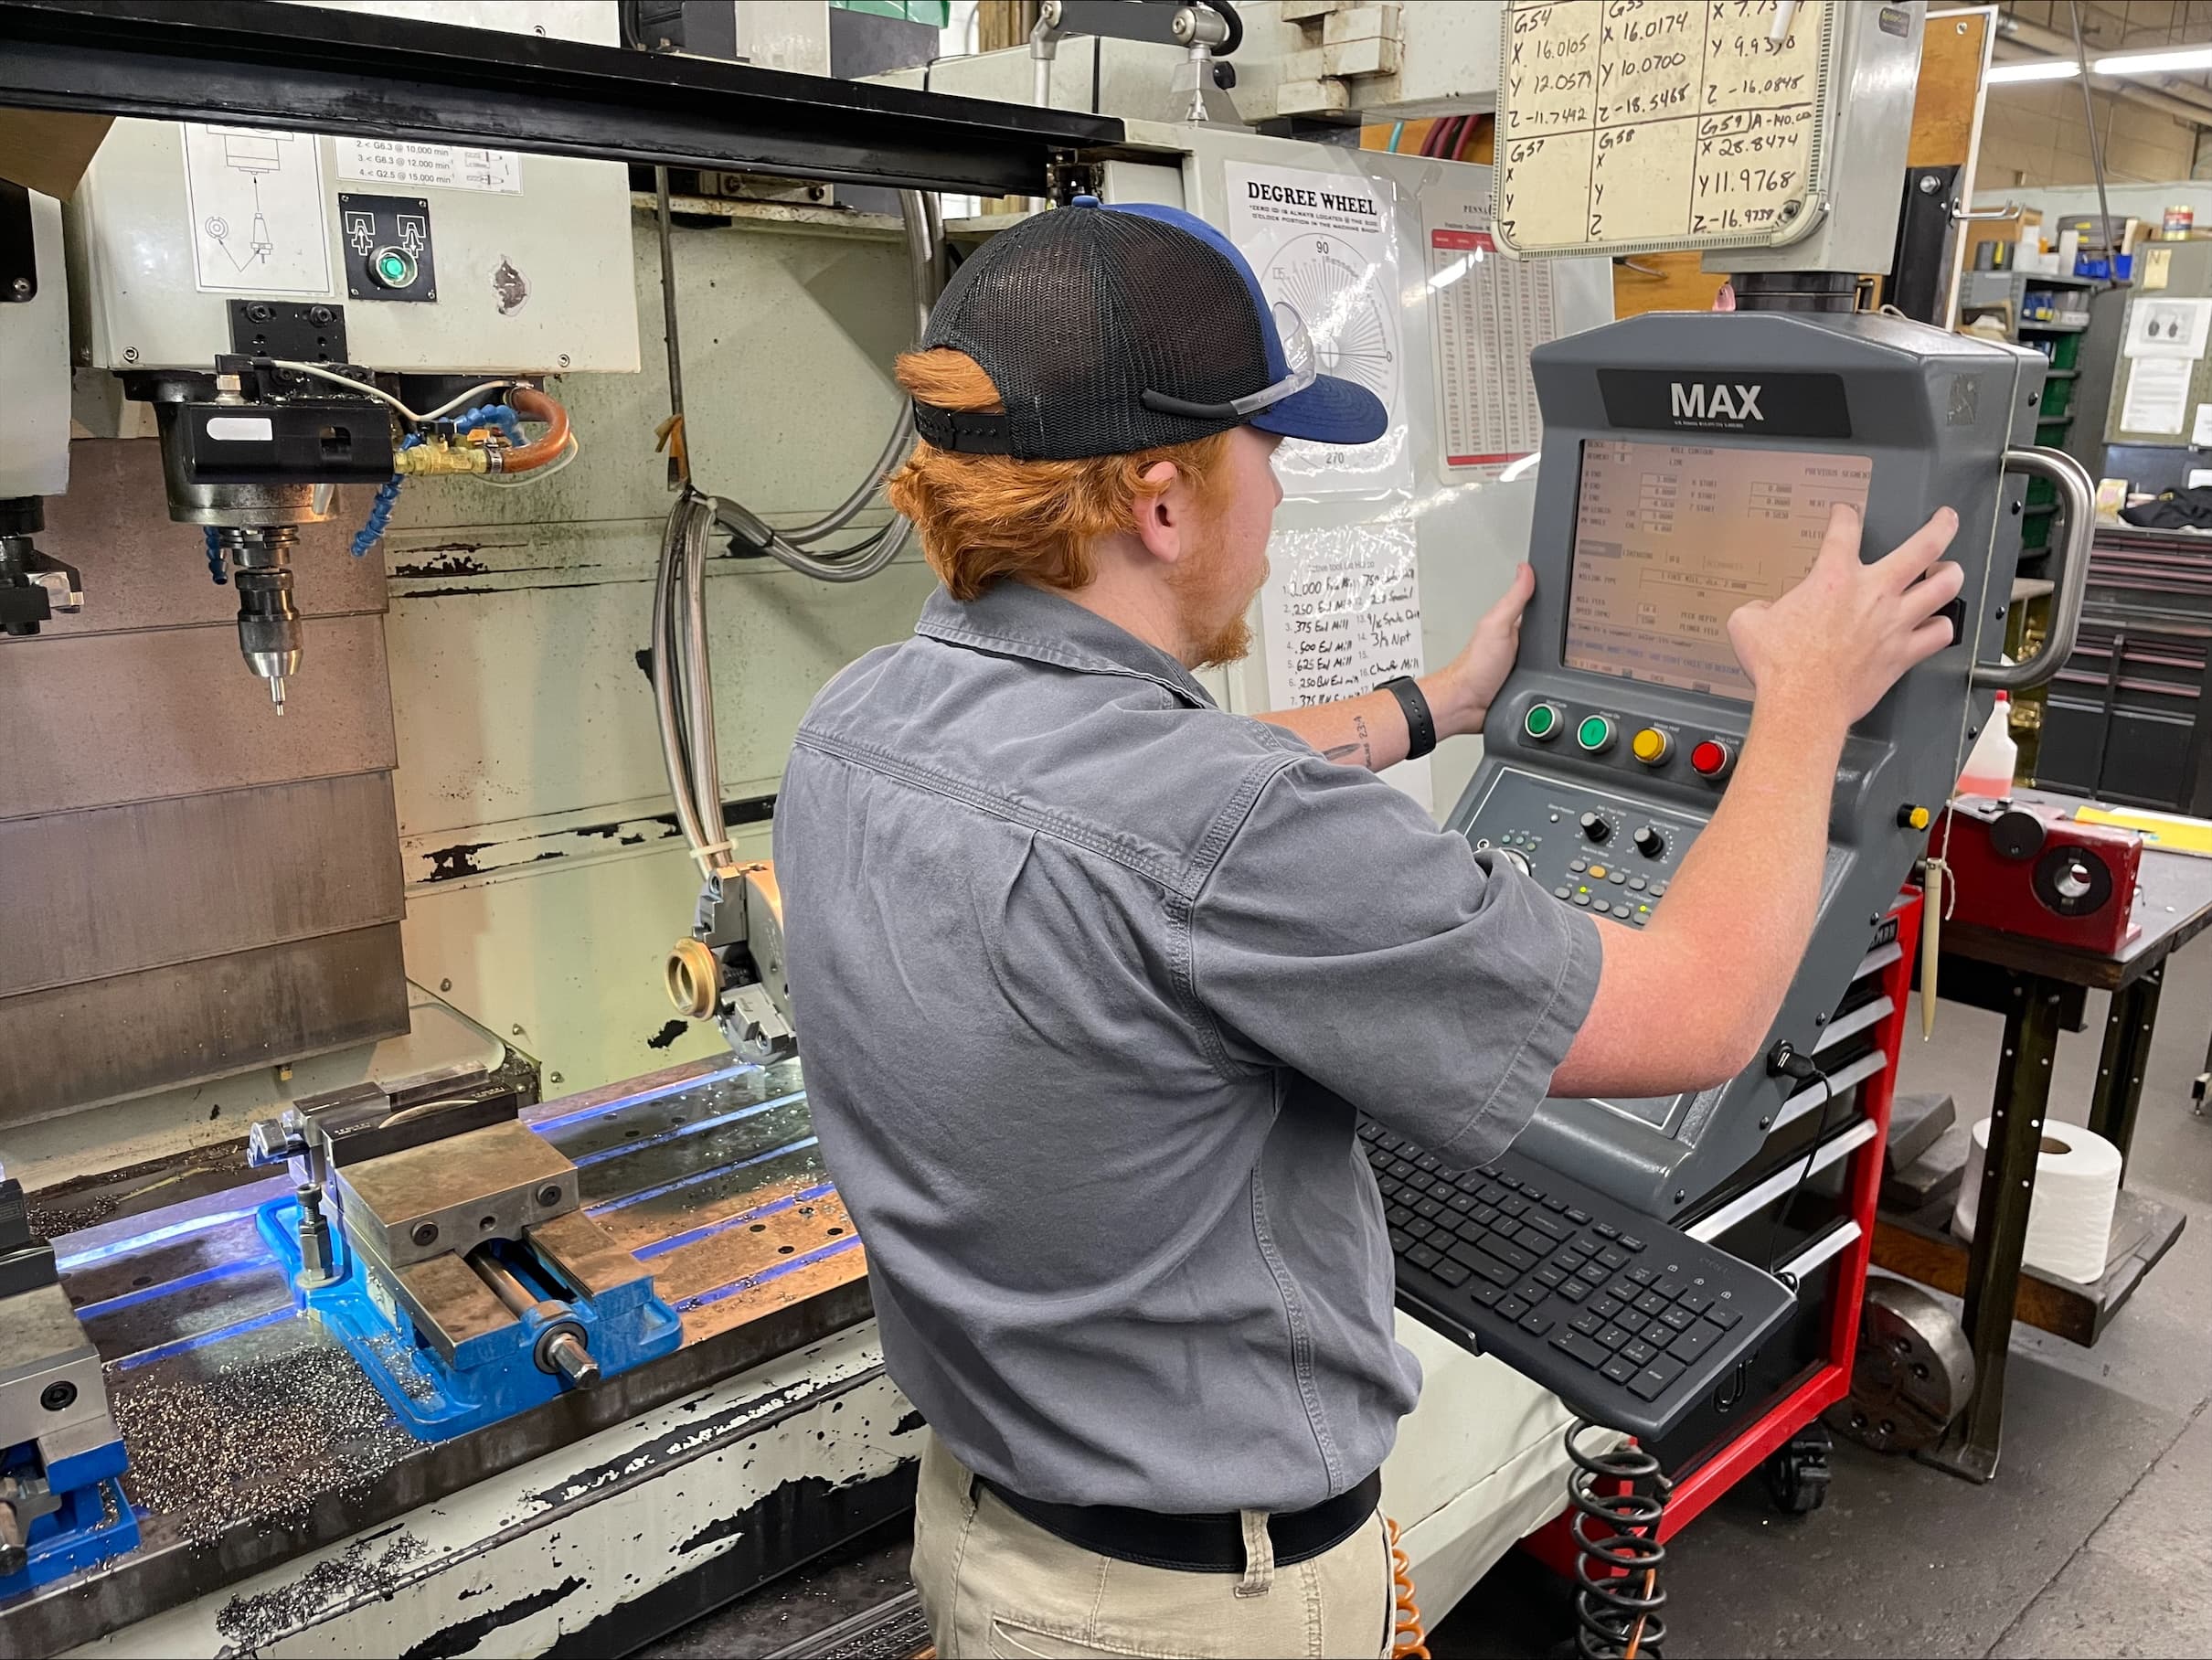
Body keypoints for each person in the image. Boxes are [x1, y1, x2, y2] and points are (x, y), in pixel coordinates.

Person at [772, 197, 1962, 1659]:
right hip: (1195, 1612)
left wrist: (1430, 707)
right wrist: (1805, 707)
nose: (1277, 496)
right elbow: (1703, 1009)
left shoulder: (858, 722)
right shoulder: (1234, 830)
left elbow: (1125, 800)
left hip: (984, 1530)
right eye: (1268, 453)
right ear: (1162, 502)